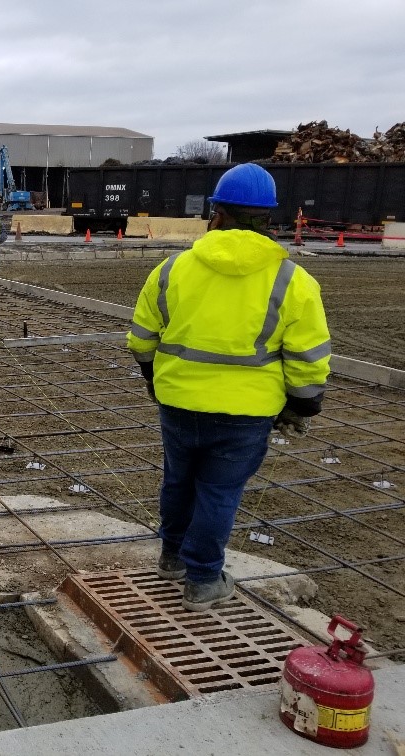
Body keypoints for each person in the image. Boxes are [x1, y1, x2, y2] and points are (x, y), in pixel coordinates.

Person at [126, 163, 330, 612]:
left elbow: (142, 337)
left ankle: (172, 557)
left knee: (179, 479)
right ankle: (202, 581)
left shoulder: (173, 269)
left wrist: (151, 377)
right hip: (247, 413)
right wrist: (302, 406)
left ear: (216, 212)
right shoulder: (292, 280)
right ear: (268, 219)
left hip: (178, 402)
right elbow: (308, 359)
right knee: (218, 491)